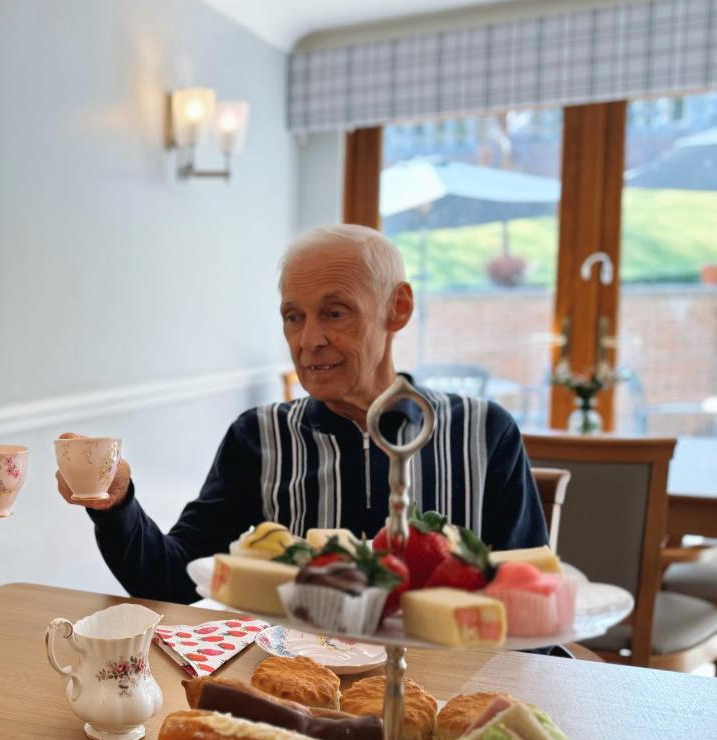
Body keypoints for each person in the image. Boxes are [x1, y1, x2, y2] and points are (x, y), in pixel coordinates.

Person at [57, 224, 548, 604]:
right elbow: (172, 581)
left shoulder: (483, 432)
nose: (308, 340)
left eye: (335, 313)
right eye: (293, 316)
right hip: (301, 691)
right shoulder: (260, 437)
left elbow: (526, 601)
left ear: (396, 308)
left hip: (445, 694)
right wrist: (117, 506)